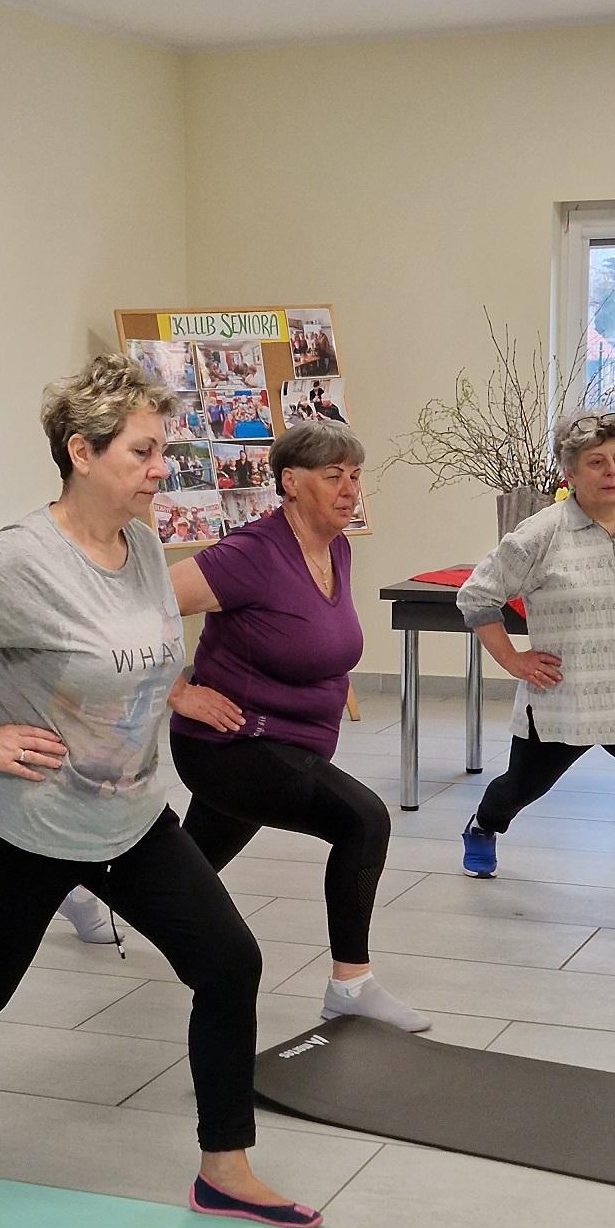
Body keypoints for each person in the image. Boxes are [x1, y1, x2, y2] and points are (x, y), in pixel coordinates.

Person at [0, 354, 321, 1228]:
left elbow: (140, 656)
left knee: (229, 963)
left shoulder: (140, 544)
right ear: (81, 450)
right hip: (30, 824)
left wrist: (176, 693)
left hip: (134, 816)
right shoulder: (17, 562)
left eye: (161, 450)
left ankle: (224, 1165)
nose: (160, 469)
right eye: (144, 453)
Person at [167, 419, 427, 1032]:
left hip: (288, 744)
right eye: (333, 476)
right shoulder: (248, 555)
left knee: (187, 865)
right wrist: (177, 691)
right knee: (363, 820)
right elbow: (135, 608)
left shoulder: (336, 545)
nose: (349, 489)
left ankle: (88, 891)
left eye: (355, 476)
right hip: (231, 745)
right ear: (289, 481)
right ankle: (351, 984)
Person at [457, 408, 615, 940]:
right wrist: (513, 660)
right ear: (571, 473)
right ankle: (483, 825)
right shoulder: (540, 534)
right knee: (522, 787)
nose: (612, 471)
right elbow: (476, 595)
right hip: (562, 697)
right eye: (596, 462)